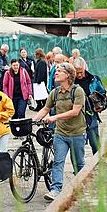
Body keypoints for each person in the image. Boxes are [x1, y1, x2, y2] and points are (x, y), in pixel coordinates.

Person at [33, 62, 87, 202]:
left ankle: (82, 187)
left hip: (77, 133)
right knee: (58, 162)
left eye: (59, 71)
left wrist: (54, 117)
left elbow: (75, 111)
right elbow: (45, 109)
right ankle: (55, 189)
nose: (55, 73)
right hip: (61, 134)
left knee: (79, 163)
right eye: (56, 71)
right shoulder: (55, 92)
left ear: (68, 75)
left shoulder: (77, 91)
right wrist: (34, 120)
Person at [72, 57, 106, 154]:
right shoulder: (70, 81)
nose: (79, 75)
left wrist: (101, 105)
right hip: (76, 116)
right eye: (76, 72)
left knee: (95, 142)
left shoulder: (94, 79)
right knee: (78, 146)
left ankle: (98, 164)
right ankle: (79, 168)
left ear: (85, 68)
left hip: (91, 114)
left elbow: (103, 94)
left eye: (81, 72)